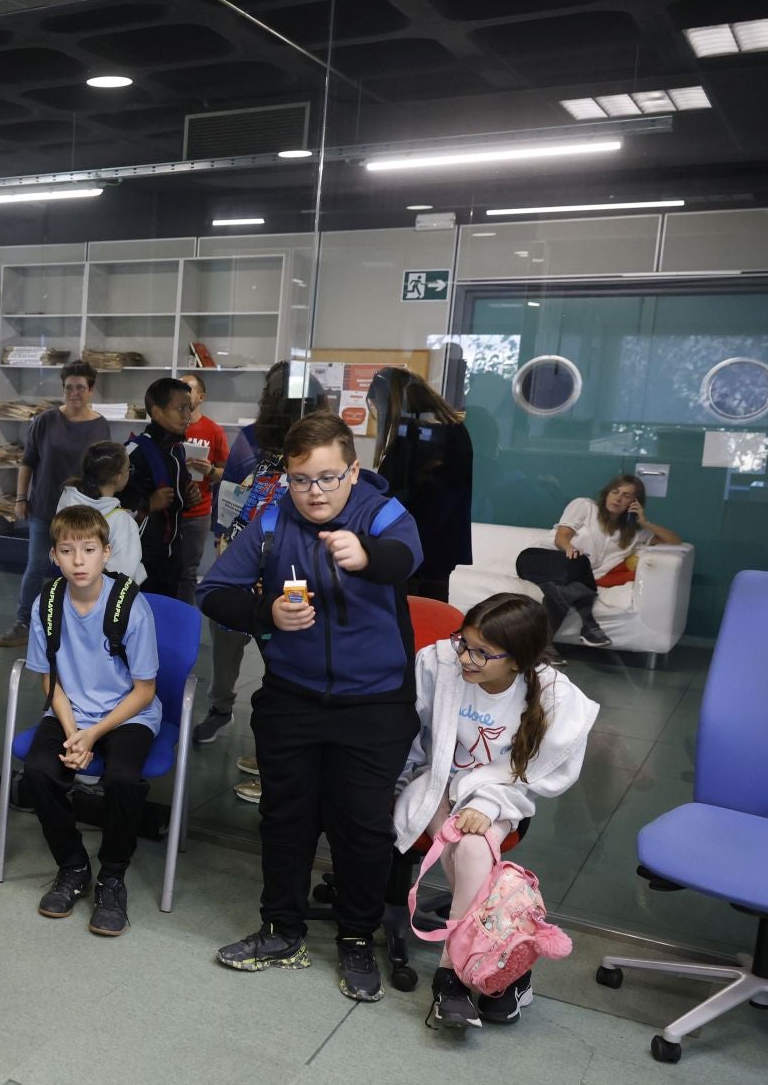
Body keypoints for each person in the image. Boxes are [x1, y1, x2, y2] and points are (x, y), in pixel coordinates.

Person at [200, 411, 422, 1003]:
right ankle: (281, 931)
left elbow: (407, 559)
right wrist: (264, 614)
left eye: (327, 478)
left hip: (374, 703)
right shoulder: (272, 521)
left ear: (352, 471)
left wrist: (366, 554)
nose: (315, 492)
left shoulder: (381, 514)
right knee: (285, 820)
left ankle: (356, 939)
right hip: (292, 697)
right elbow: (213, 591)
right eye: (302, 480)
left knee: (361, 827)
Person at [392, 593, 598, 1030]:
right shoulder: (441, 665)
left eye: (483, 652)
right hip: (438, 781)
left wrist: (488, 803)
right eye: (463, 642)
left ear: (519, 660)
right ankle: (506, 970)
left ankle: (450, 975)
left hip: (506, 794)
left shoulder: (556, 698)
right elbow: (407, 730)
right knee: (459, 843)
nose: (466, 657)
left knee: (469, 851)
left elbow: (537, 774)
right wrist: (393, 783)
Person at [22, 504, 161, 939]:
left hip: (126, 714)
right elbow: (50, 681)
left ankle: (112, 876)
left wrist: (93, 735)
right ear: (53, 556)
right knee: (39, 769)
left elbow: (145, 690)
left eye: (88, 549)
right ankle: (73, 865)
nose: (78, 561)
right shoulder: (46, 604)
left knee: (122, 777)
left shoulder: (130, 607)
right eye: (67, 550)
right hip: (69, 710)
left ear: (107, 552)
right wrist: (71, 732)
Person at [190, 363, 311, 754]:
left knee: (283, 640)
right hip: (250, 551)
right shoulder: (252, 437)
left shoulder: (314, 440)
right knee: (231, 632)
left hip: (290, 556)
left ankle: (274, 718)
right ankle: (222, 708)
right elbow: (231, 499)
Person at [0, 361, 114, 648]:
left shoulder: (100, 425)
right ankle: (24, 621)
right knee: (37, 565)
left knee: (80, 567)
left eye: (80, 388)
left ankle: (76, 623)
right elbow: (28, 462)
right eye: (68, 388)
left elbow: (104, 469)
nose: (74, 393)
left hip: (82, 512)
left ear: (91, 390)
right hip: (45, 507)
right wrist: (21, 498)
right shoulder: (46, 420)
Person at [519, 474, 681, 654]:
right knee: (580, 560)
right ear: (607, 493)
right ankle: (589, 624)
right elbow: (561, 536)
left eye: (626, 496)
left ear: (634, 503)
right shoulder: (585, 506)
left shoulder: (632, 535)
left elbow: (674, 541)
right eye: (615, 492)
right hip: (537, 560)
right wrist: (569, 548)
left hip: (566, 577)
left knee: (560, 591)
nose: (618, 498)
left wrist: (644, 522)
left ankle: (543, 650)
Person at [365, 367, 474, 600]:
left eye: (379, 406)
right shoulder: (450, 429)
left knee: (417, 615)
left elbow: (397, 490)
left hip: (422, 543)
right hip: (441, 543)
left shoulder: (416, 434)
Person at [119, 376, 197, 598]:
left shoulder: (177, 450)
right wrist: (148, 505)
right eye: (180, 408)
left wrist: (188, 498)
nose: (187, 416)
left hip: (171, 557)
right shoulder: (133, 452)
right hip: (139, 562)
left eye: (189, 408)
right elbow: (106, 505)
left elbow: (174, 503)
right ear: (156, 412)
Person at [177, 372, 229, 604]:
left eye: (188, 390)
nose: (182, 394)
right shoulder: (169, 427)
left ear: (201, 397)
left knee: (188, 572)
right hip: (168, 508)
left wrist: (209, 471)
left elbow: (226, 474)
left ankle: (185, 621)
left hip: (197, 513)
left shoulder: (214, 430)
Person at [56, 441, 141, 583]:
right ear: (118, 477)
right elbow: (124, 575)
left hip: (68, 587)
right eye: (128, 469)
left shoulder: (68, 499)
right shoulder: (123, 522)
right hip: (102, 598)